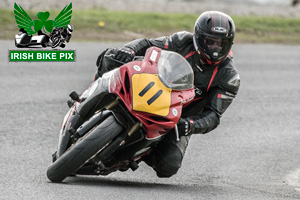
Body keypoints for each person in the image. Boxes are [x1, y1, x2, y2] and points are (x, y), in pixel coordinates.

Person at [95, 11, 240, 178]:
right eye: (211, 42)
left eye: (221, 44)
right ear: (199, 38)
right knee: (111, 56)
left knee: (169, 165)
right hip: (150, 89)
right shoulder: (181, 41)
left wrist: (190, 124)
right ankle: (93, 96)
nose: (215, 49)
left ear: (230, 44)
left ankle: (141, 152)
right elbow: (147, 43)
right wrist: (129, 50)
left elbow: (214, 115)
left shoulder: (229, 77)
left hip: (177, 119)